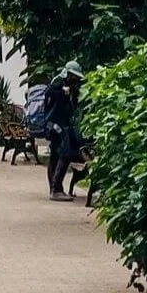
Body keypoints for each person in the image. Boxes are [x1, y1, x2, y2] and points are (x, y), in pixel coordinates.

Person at [45, 60, 84, 201]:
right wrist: (62, 91)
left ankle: (54, 189)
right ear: (68, 74)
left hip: (60, 124)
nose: (76, 80)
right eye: (74, 76)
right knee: (65, 153)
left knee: (55, 155)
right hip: (55, 125)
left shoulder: (72, 86)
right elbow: (48, 92)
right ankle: (56, 189)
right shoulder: (58, 83)